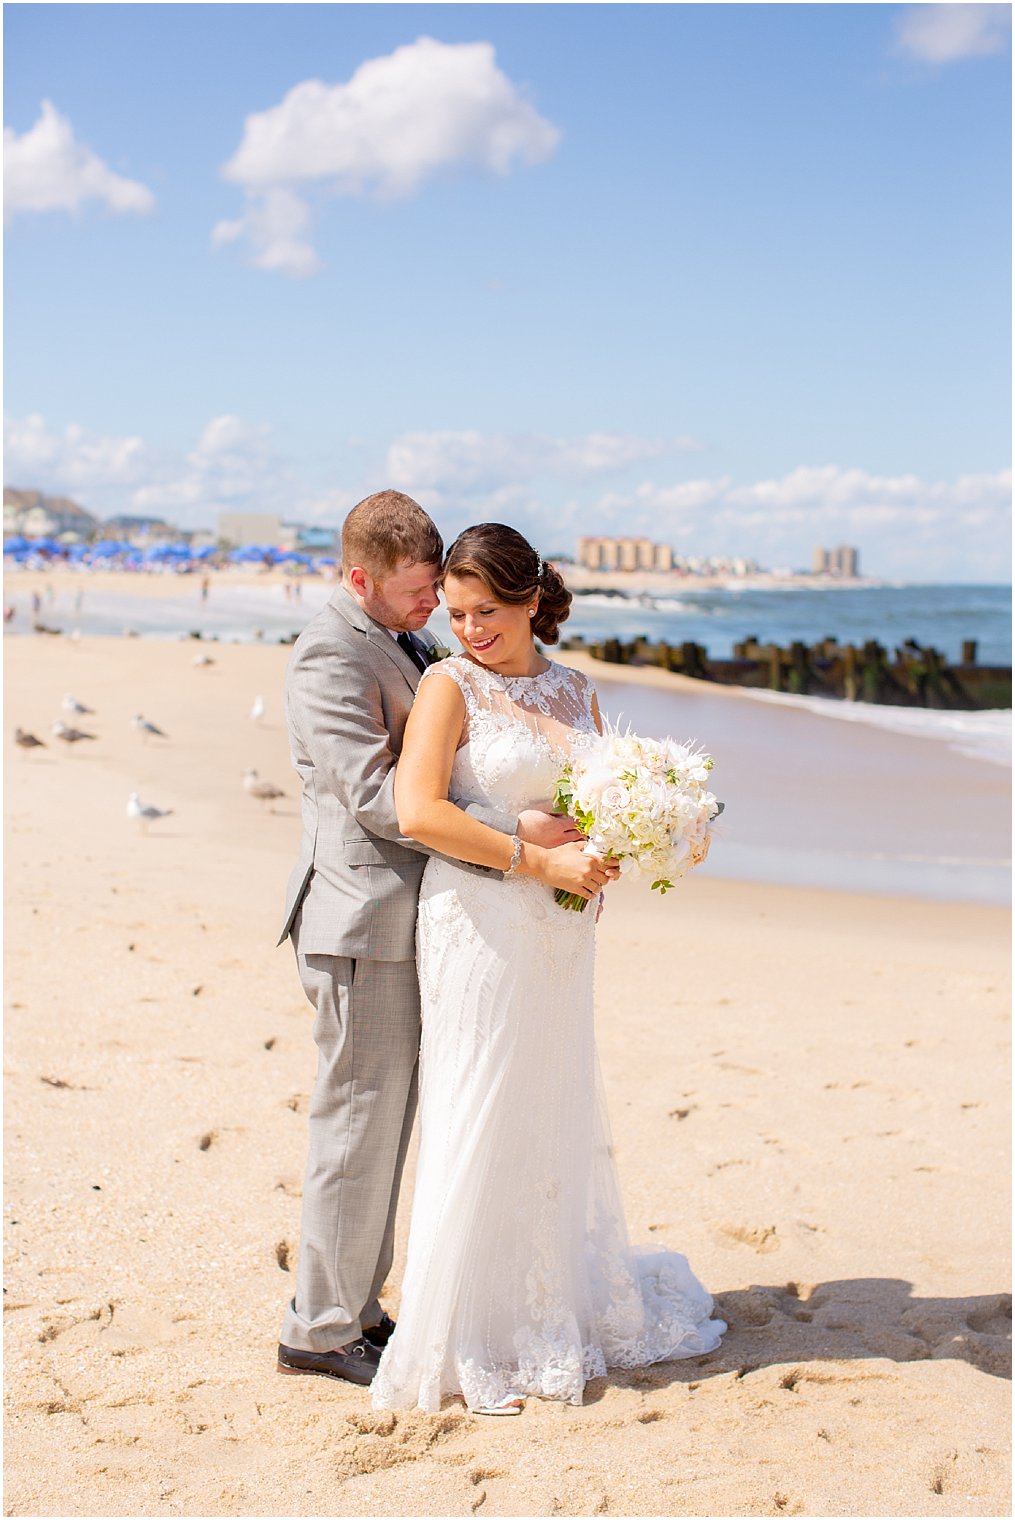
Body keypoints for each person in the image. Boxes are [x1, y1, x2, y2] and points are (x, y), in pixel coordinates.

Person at [371, 523, 726, 1415]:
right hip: (478, 920)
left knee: (549, 1102)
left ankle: (546, 1307)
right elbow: (418, 812)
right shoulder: (448, 686)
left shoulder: (577, 692)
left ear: (534, 600)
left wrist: (632, 839)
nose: (470, 631)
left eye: (486, 611)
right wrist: (534, 862)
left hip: (563, 930)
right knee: (481, 1101)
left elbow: (592, 800)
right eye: (455, 614)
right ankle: (465, 1323)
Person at [276, 493, 605, 1387]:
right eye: (424, 593)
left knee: (401, 1122)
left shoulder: (409, 642)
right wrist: (516, 833)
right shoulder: (328, 656)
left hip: (431, 913)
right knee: (358, 1125)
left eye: (448, 598)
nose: (438, 612)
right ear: (361, 579)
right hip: (359, 919)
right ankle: (320, 1328)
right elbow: (380, 799)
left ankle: (360, 1308)